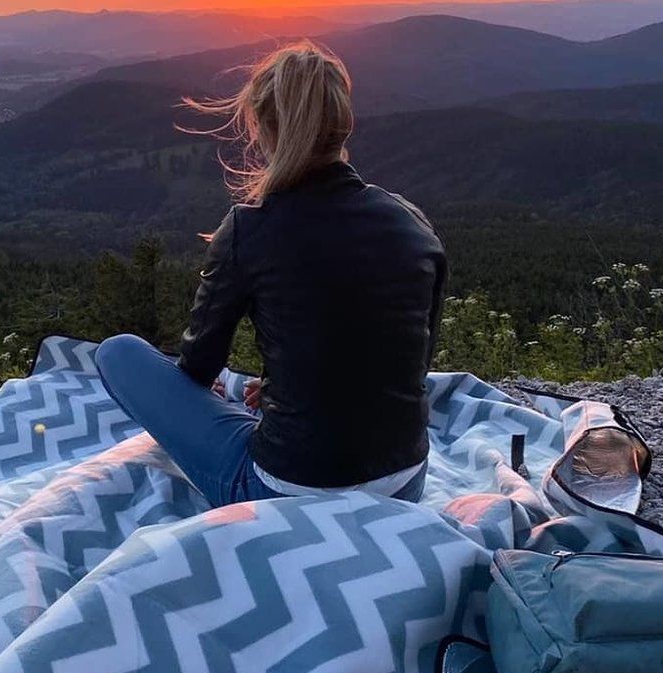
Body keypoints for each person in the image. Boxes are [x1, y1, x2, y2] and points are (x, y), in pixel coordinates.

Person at [94, 41, 446, 508]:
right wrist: (290, 387)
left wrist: (268, 393)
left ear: (261, 128)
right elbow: (406, 364)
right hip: (405, 479)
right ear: (346, 123)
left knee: (118, 353)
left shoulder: (249, 228)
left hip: (285, 487)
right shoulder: (412, 222)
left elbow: (199, 368)